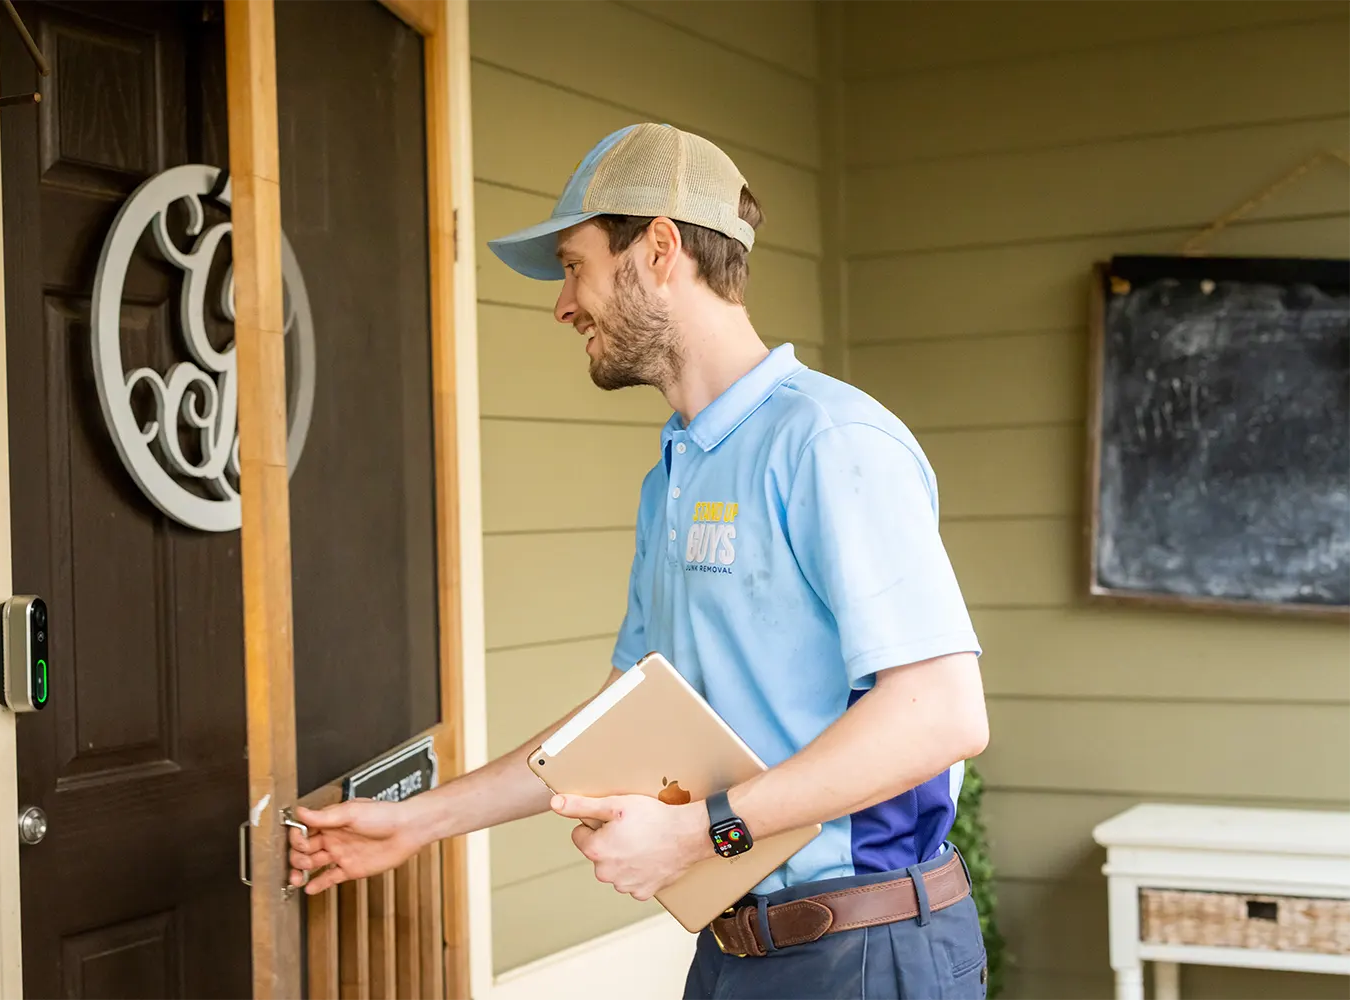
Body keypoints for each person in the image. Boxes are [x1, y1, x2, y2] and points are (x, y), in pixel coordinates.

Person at [288, 123, 991, 999]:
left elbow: (941, 715)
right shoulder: (677, 472)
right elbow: (619, 722)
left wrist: (703, 833)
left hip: (867, 950)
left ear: (659, 250)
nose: (563, 304)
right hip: (735, 947)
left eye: (573, 266)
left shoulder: (828, 439)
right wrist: (418, 822)